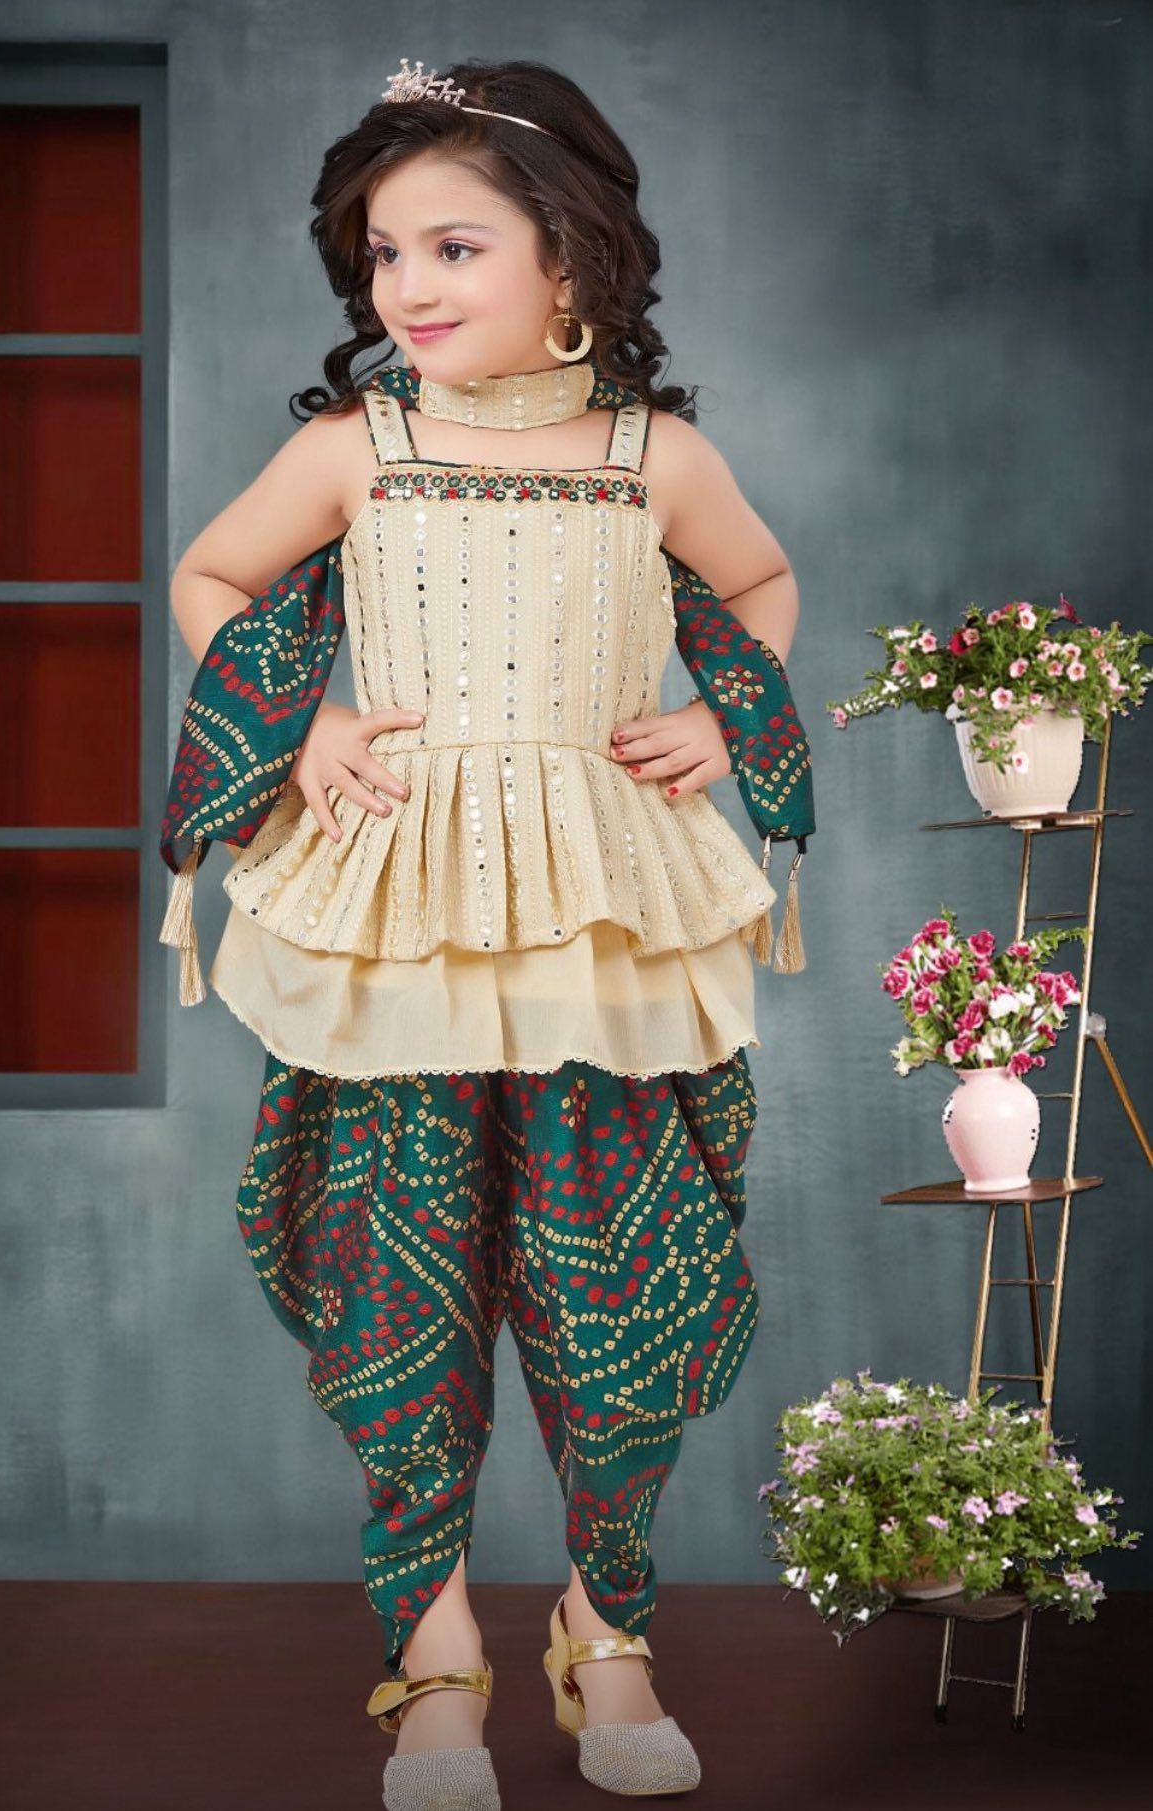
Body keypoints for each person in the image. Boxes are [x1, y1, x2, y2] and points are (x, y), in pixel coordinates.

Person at [160, 55, 815, 1811]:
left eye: (454, 246)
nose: (410, 289)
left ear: (575, 264)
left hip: (601, 907)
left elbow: (756, 586)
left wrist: (716, 708)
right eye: (384, 257)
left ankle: (610, 1632)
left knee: (612, 1277)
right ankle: (433, 1651)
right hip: (402, 918)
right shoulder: (350, 451)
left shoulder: (650, 454)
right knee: (403, 1277)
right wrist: (299, 730)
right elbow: (212, 581)